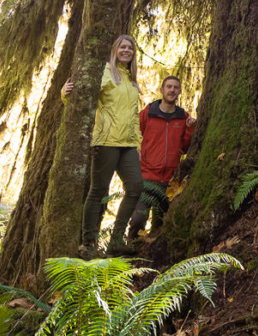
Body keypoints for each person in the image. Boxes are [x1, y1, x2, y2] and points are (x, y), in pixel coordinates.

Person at [63, 34, 143, 257]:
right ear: (115, 50)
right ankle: (89, 242)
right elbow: (81, 94)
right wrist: (65, 92)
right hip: (106, 140)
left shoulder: (131, 78)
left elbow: (134, 115)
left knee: (135, 187)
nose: (127, 50)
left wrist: (138, 143)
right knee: (98, 190)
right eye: (123, 47)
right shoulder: (106, 72)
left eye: (130, 48)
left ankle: (117, 239)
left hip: (128, 144)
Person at [127, 75, 195, 240]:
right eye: (169, 87)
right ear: (162, 90)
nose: (172, 90)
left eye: (175, 87)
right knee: (137, 220)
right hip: (145, 178)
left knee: (161, 227)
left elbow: (185, 148)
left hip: (169, 182)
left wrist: (190, 129)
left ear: (179, 91)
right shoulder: (148, 113)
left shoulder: (183, 117)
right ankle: (128, 253)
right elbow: (131, 134)